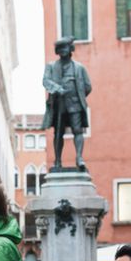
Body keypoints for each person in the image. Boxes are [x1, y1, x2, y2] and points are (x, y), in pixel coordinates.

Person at [42, 36, 92, 171]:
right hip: (59, 104)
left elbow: (88, 86)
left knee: (78, 131)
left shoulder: (79, 68)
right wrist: (58, 90)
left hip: (74, 103)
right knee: (58, 133)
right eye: (60, 49)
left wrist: (78, 95)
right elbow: (46, 81)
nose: (62, 51)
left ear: (71, 49)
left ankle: (79, 158)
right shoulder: (51, 67)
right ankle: (57, 160)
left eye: (65, 48)